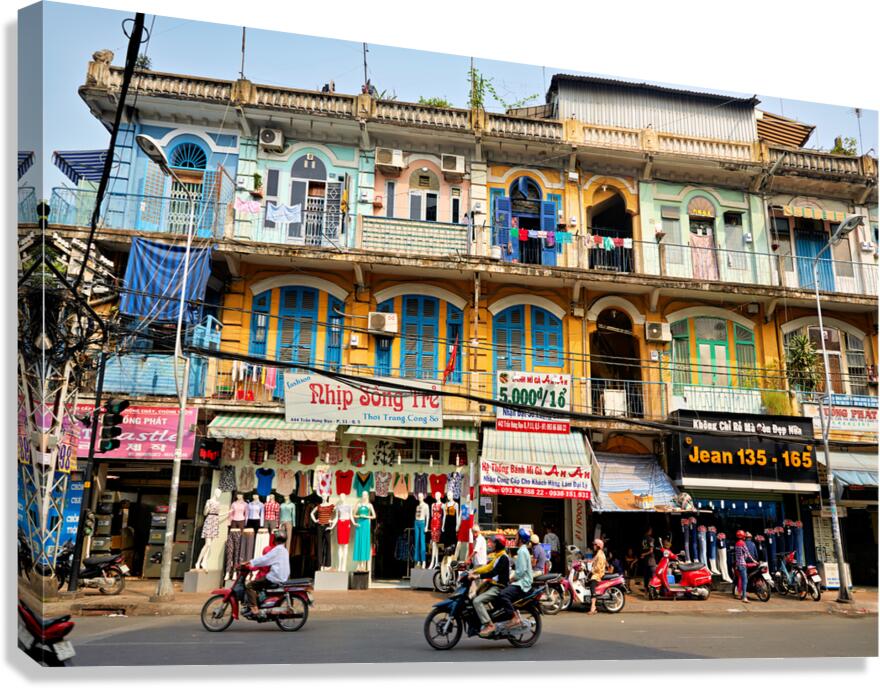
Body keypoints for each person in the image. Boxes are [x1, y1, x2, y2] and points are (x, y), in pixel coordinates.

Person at [469, 537, 510, 637]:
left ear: (499, 545)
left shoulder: (503, 558)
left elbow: (493, 572)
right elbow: (488, 567)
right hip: (492, 584)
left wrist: (477, 576)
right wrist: (474, 571)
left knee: (477, 601)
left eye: (494, 543)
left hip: (498, 587)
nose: (492, 545)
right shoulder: (498, 556)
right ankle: (484, 617)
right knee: (474, 596)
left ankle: (489, 625)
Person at [245, 530, 289, 616]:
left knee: (249, 585)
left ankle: (254, 608)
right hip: (282, 577)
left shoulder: (276, 550)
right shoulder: (284, 550)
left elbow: (264, 559)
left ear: (275, 539)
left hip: (274, 578)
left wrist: (250, 562)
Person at [496, 529, 533, 629]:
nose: (515, 539)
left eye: (516, 537)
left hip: (523, 583)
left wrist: (512, 579)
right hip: (523, 581)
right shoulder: (524, 550)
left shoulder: (521, 551)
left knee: (503, 594)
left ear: (520, 539)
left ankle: (514, 617)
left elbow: (520, 572)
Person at [734, 529, 756, 604]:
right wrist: (754, 560)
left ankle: (740, 594)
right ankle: (744, 597)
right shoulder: (742, 543)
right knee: (745, 581)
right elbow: (748, 553)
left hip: (737, 564)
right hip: (742, 564)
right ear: (743, 536)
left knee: (740, 579)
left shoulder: (736, 543)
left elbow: (738, 554)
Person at [587, 538, 607, 615]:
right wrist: (583, 561)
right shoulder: (598, 553)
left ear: (598, 546)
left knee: (592, 583)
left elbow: (598, 568)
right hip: (597, 572)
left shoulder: (600, 555)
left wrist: (591, 570)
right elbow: (592, 560)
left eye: (595, 545)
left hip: (598, 574)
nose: (593, 546)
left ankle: (593, 607)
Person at [640, 527, 657, 594]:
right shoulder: (651, 539)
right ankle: (654, 591)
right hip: (650, 560)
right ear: (649, 531)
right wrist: (644, 554)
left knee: (646, 576)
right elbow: (651, 550)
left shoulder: (642, 539)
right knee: (653, 575)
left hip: (645, 560)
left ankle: (646, 591)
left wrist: (643, 554)